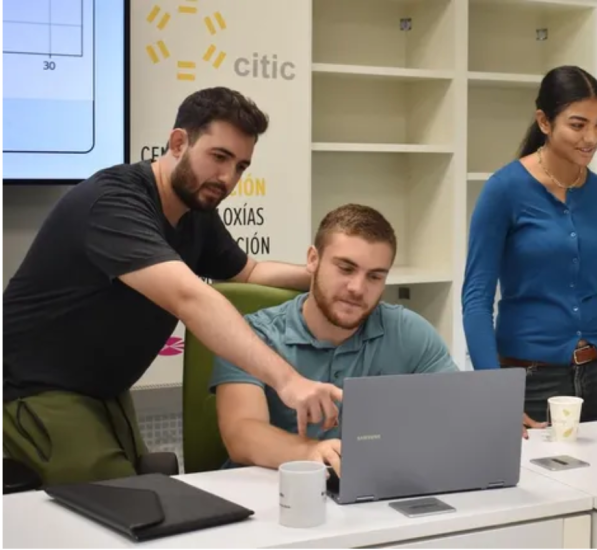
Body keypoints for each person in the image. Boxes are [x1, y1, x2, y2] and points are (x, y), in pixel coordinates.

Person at [3, 87, 343, 486]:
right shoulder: (113, 202)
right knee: (119, 505)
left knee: (142, 492)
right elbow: (189, 297)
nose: (227, 178)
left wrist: (331, 278)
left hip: (103, 392)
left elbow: (248, 272)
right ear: (178, 142)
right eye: (219, 157)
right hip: (32, 390)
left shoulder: (195, 211)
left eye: (240, 166)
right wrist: (289, 382)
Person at [462, 65, 597, 436]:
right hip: (531, 381)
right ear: (544, 121)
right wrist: (494, 394)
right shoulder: (503, 191)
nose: (591, 137)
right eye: (577, 124)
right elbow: (475, 301)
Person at [211, 204, 458, 474]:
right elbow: (241, 433)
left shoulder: (408, 331)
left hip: (373, 497)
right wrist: (311, 452)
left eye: (374, 276)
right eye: (345, 268)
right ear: (313, 260)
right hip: (273, 495)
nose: (357, 288)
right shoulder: (254, 334)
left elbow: (458, 411)